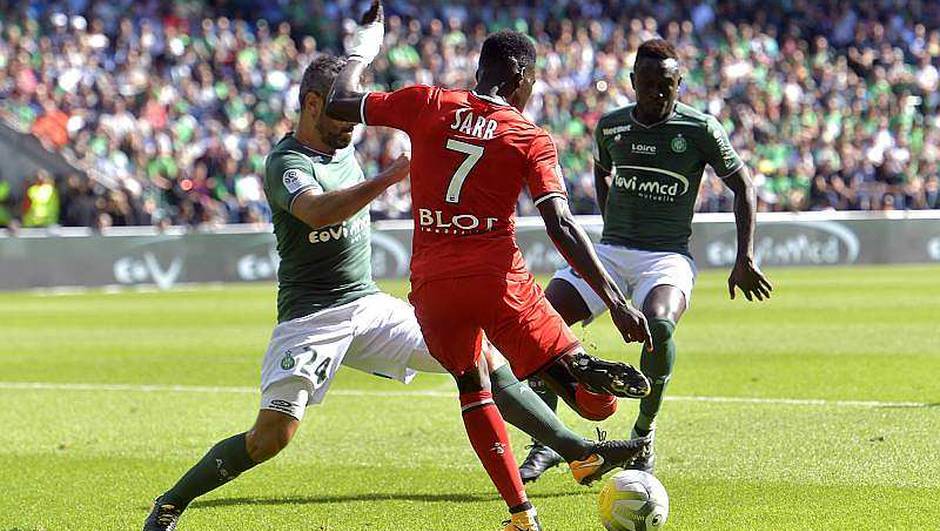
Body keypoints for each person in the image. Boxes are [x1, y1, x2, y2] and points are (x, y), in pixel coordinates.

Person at [143, 54, 650, 531]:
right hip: (314, 317)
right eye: (341, 116)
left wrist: (365, 47)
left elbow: (359, 93)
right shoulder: (287, 163)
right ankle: (172, 501)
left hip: (369, 305)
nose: (350, 126)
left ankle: (579, 452)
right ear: (312, 106)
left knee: (485, 362)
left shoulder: (344, 143)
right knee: (270, 438)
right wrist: (391, 176)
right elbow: (317, 211)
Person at [327, 3, 656, 529]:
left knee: (471, 383)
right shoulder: (529, 136)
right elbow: (562, 225)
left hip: (432, 284)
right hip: (498, 278)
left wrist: (361, 49)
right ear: (521, 77)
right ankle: (570, 370)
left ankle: (522, 514)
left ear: (481, 70)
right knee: (600, 406)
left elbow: (340, 102)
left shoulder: (427, 102)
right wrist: (615, 301)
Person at [518, 38, 774, 482]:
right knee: (545, 319)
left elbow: (744, 186)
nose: (657, 92)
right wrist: (608, 220)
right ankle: (548, 441)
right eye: (649, 83)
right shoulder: (612, 127)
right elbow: (601, 171)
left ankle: (643, 435)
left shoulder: (701, 129)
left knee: (658, 324)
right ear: (633, 82)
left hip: (666, 256)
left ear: (680, 83)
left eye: (667, 85)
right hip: (612, 250)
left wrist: (744, 256)